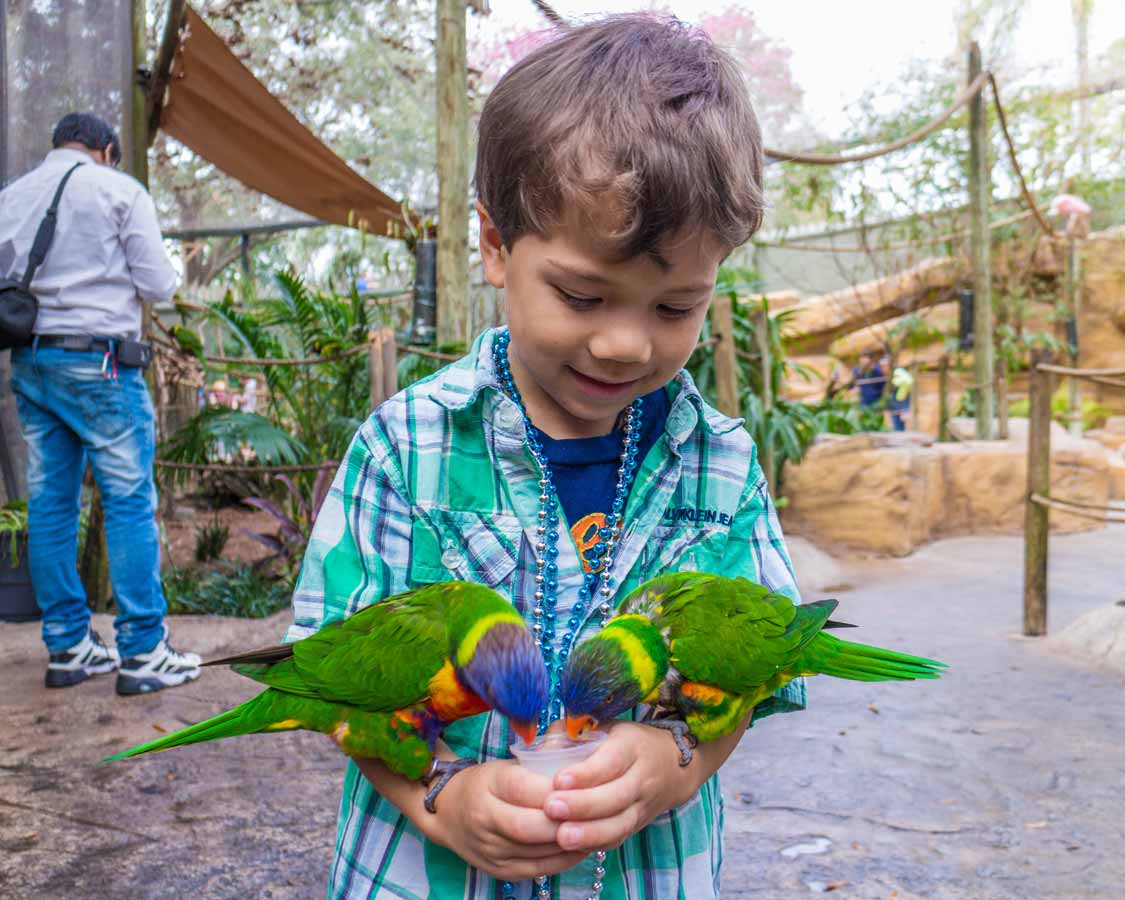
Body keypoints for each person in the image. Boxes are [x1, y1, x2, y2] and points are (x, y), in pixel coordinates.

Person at [287, 15, 804, 899]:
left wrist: (673, 758)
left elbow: (763, 673)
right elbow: (332, 690)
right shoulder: (406, 449)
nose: (623, 344)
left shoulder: (719, 465)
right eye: (581, 294)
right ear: (495, 245)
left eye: (675, 308)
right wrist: (440, 795)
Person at [0, 112, 201, 693]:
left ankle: (68, 647)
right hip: (101, 366)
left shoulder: (14, 196)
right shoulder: (118, 190)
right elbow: (160, 284)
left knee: (51, 504)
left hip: (33, 363)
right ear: (106, 150)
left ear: (59, 145)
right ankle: (142, 652)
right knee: (129, 501)